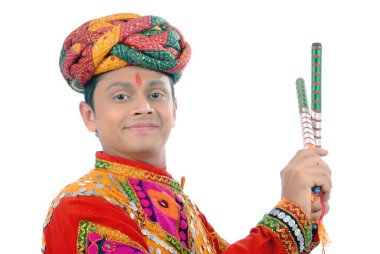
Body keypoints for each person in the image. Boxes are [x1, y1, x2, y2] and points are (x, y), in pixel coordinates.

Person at [42, 13, 332, 254]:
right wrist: (289, 217)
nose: (143, 107)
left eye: (156, 94)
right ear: (89, 115)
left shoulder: (182, 206)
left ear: (175, 108)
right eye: (121, 97)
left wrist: (303, 217)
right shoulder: (81, 207)